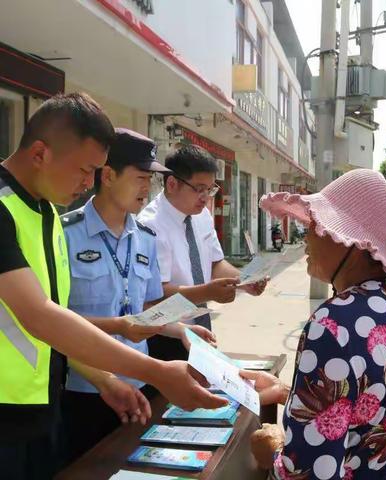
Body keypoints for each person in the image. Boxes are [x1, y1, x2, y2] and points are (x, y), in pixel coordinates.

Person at [0, 93, 226, 479]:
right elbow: (41, 316)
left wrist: (108, 377)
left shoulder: (46, 214)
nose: (89, 183)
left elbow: (61, 327)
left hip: (42, 407)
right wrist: (155, 369)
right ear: (40, 154)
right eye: (85, 170)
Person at [241, 169, 386, 479]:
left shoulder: (333, 323)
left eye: (316, 224)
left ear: (353, 243)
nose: (306, 234)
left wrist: (274, 450)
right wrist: (289, 393)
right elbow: (380, 408)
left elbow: (307, 472)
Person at [61, 128, 216, 462]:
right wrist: (120, 327)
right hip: (87, 391)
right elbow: (55, 321)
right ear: (109, 175)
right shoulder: (65, 235)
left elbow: (145, 311)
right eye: (140, 177)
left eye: (151, 179)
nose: (147, 188)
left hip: (142, 383)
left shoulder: (144, 236)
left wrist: (182, 329)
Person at [138, 145, 267, 359]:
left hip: (200, 329)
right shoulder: (150, 226)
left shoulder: (201, 216)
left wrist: (245, 280)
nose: (206, 197)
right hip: (165, 332)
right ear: (172, 184)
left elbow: (215, 263)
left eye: (210, 189)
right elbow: (155, 293)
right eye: (199, 189)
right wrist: (207, 292)